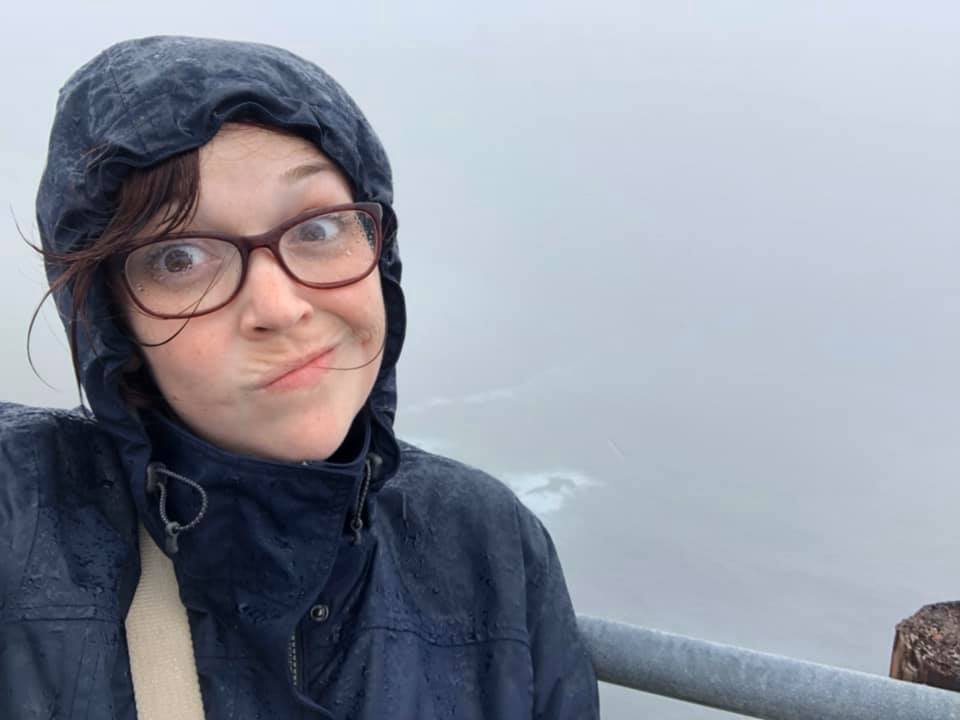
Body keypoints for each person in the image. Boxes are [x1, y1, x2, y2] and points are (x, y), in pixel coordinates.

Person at [0, 35, 600, 719]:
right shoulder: (24, 519)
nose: (279, 308)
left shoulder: (489, 546)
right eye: (179, 258)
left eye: (316, 230)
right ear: (112, 321)